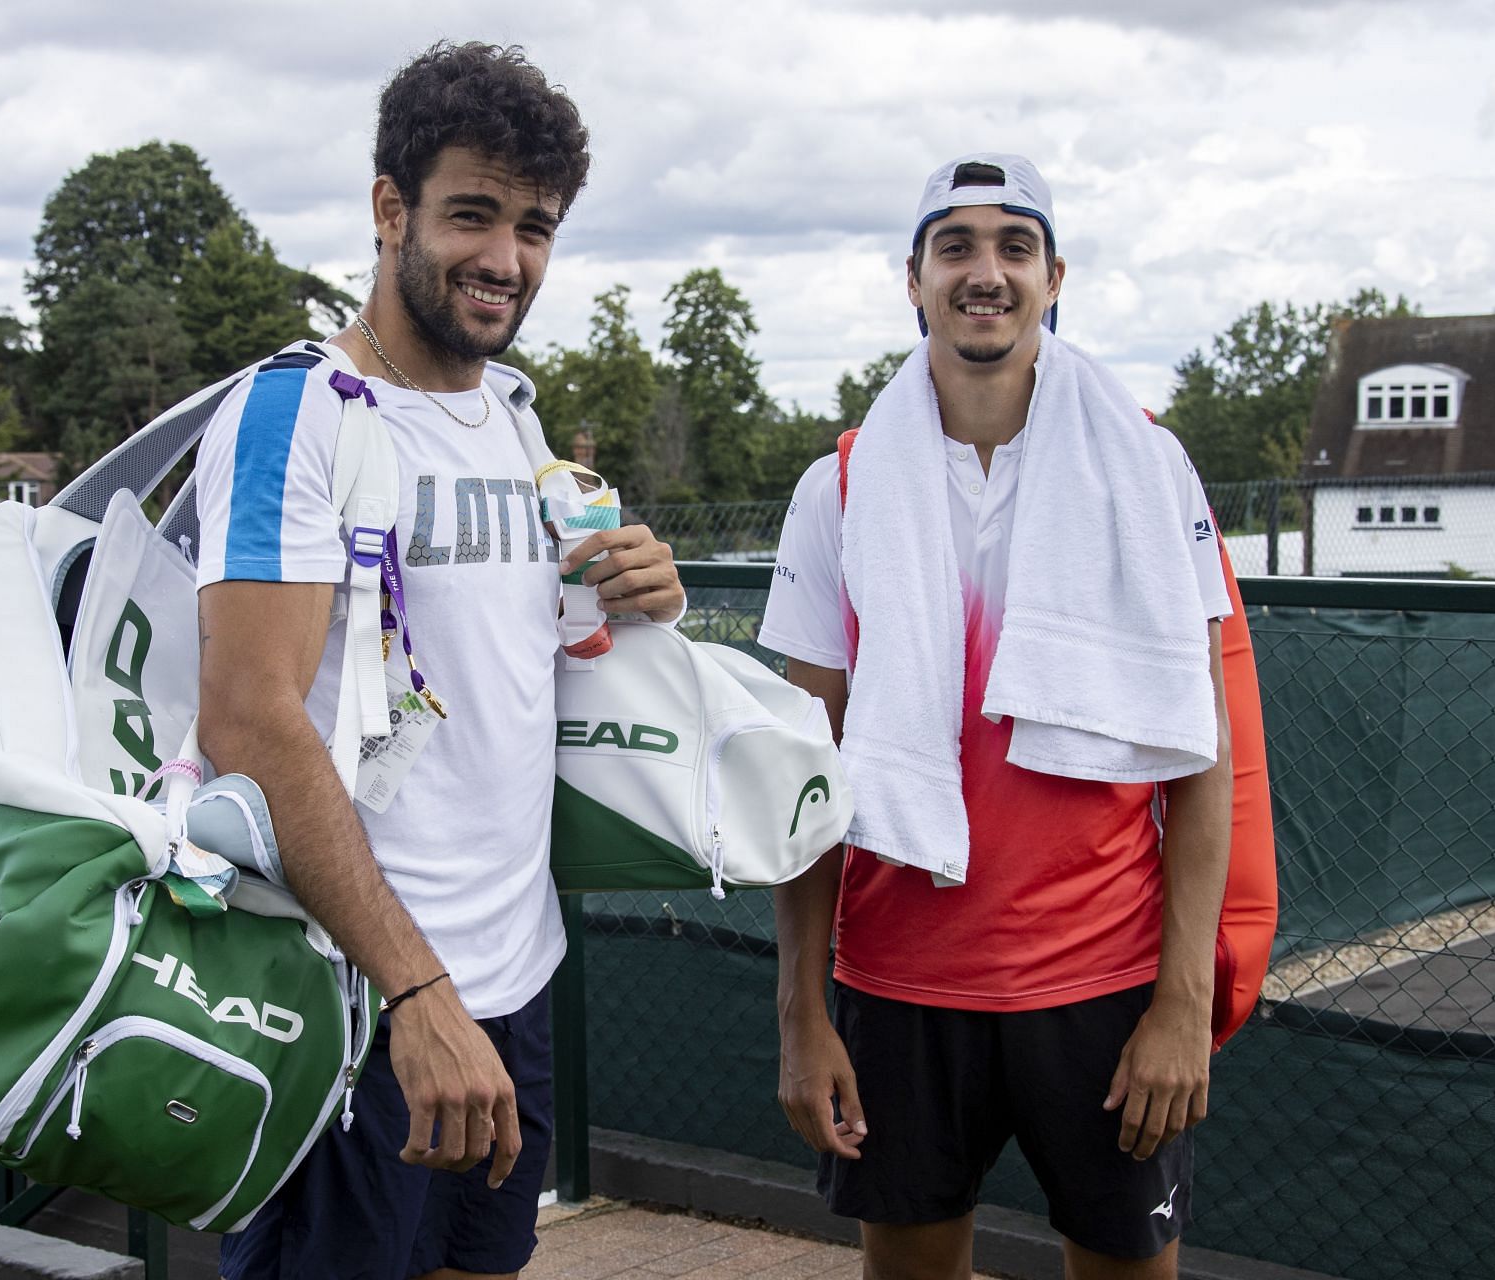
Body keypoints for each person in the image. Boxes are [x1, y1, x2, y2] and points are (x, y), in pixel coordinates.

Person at [193, 42, 684, 1280]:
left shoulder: (515, 414)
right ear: (388, 207)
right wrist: (416, 995)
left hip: (514, 984)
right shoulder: (290, 411)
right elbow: (249, 723)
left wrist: (641, 590)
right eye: (473, 212)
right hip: (356, 1006)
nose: (506, 258)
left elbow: (529, 667)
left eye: (536, 226)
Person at [762, 154, 1234, 1280]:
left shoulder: (1150, 470)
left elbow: (1202, 762)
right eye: (956, 245)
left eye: (1013, 246)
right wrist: (801, 1011)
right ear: (913, 278)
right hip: (896, 983)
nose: (986, 271)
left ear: (1053, 274)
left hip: (1105, 984)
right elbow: (800, 774)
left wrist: (1182, 998)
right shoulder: (839, 489)